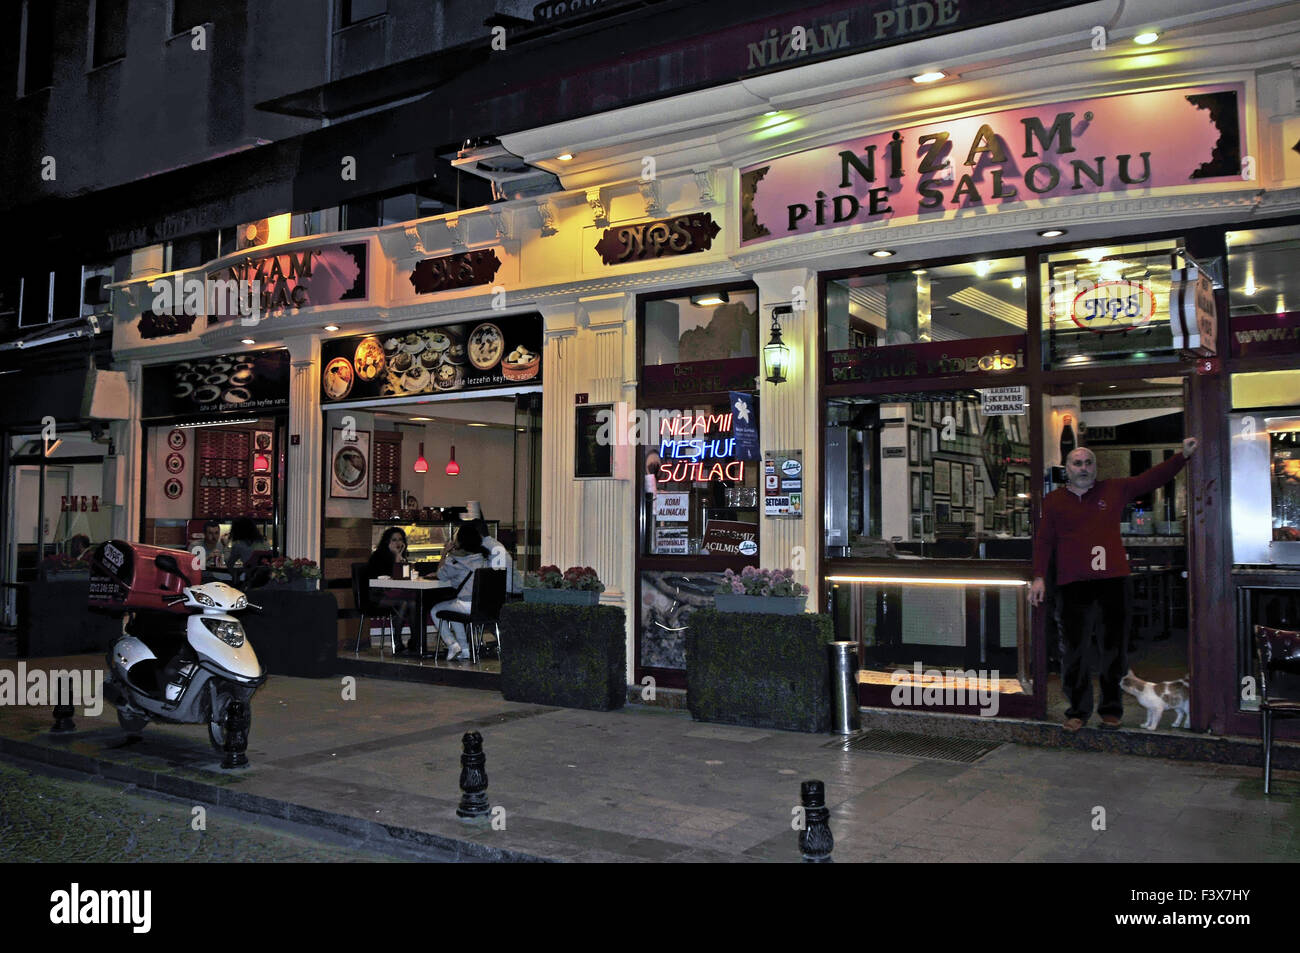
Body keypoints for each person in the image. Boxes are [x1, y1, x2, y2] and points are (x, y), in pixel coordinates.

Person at [1030, 438, 1198, 732]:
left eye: (1088, 463)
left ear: (1095, 467)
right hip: (1072, 585)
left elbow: (1150, 479)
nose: (1083, 468)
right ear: (1066, 469)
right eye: (1077, 463)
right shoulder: (1054, 501)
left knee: (1114, 649)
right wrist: (1039, 576)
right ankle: (1077, 711)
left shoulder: (1114, 489)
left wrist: (1181, 456)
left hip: (1113, 583)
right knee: (1074, 651)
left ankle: (1111, 710)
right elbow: (1044, 541)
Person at [431, 522, 490, 661]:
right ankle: (465, 650)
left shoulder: (455, 561)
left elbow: (440, 574)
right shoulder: (483, 558)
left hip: (466, 605)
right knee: (454, 609)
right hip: (483, 605)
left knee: (435, 610)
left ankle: (452, 644)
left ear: (461, 541)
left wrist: (444, 554)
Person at [367, 527, 419, 655]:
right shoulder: (378, 556)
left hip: (396, 593)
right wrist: (397, 556)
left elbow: (403, 577)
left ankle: (415, 641)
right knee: (404, 603)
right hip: (378, 595)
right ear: (387, 541)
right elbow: (395, 576)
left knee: (413, 602)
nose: (398, 543)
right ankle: (397, 641)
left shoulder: (401, 555)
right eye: (394, 540)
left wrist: (399, 556)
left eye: (400, 539)